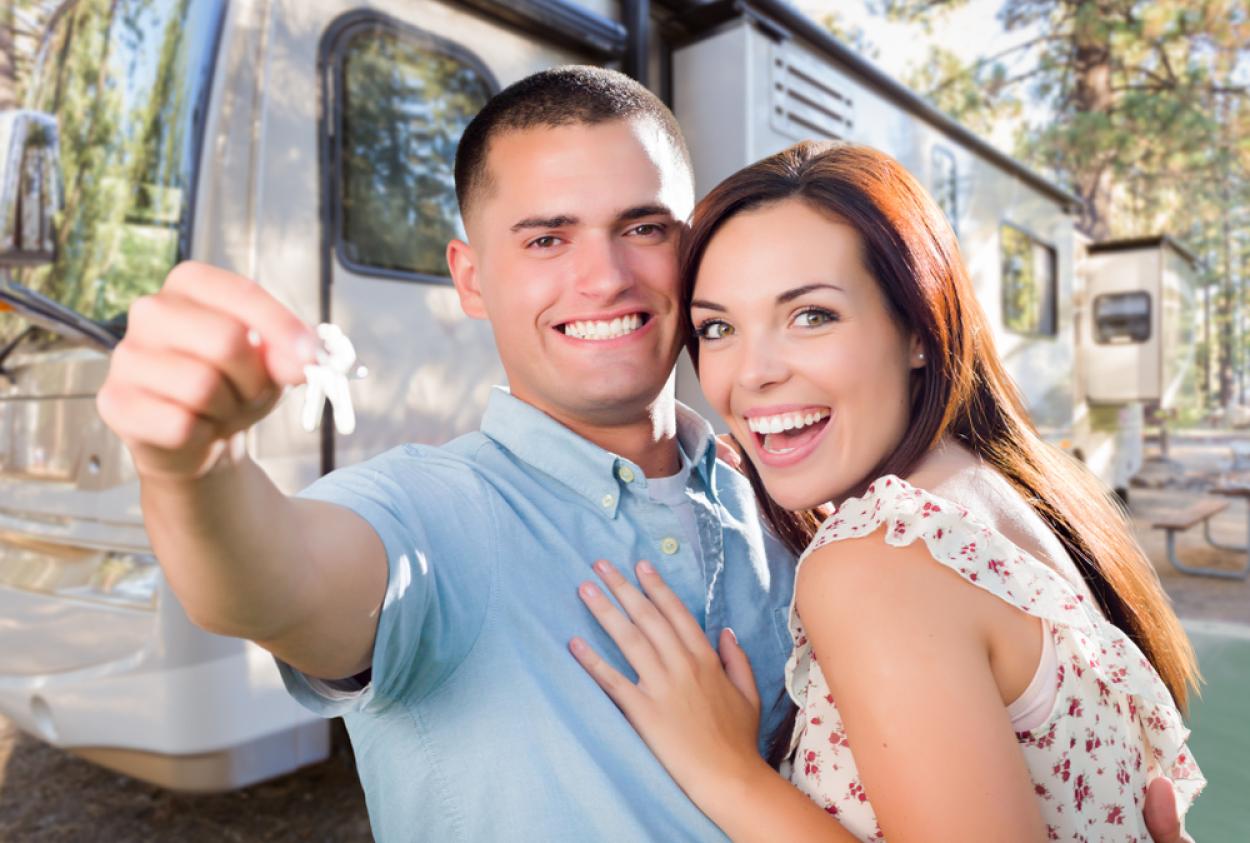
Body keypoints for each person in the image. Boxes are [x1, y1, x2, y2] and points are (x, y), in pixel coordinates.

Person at [97, 65, 1190, 841]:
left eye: (643, 227)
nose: (605, 279)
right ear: (471, 277)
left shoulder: (788, 490)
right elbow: (272, 577)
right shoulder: (437, 509)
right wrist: (190, 469)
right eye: (544, 239)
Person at [571, 141, 1205, 842]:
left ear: (919, 330)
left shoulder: (881, 558)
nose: (751, 374)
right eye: (718, 327)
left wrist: (725, 770)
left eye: (811, 315)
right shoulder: (1007, 491)